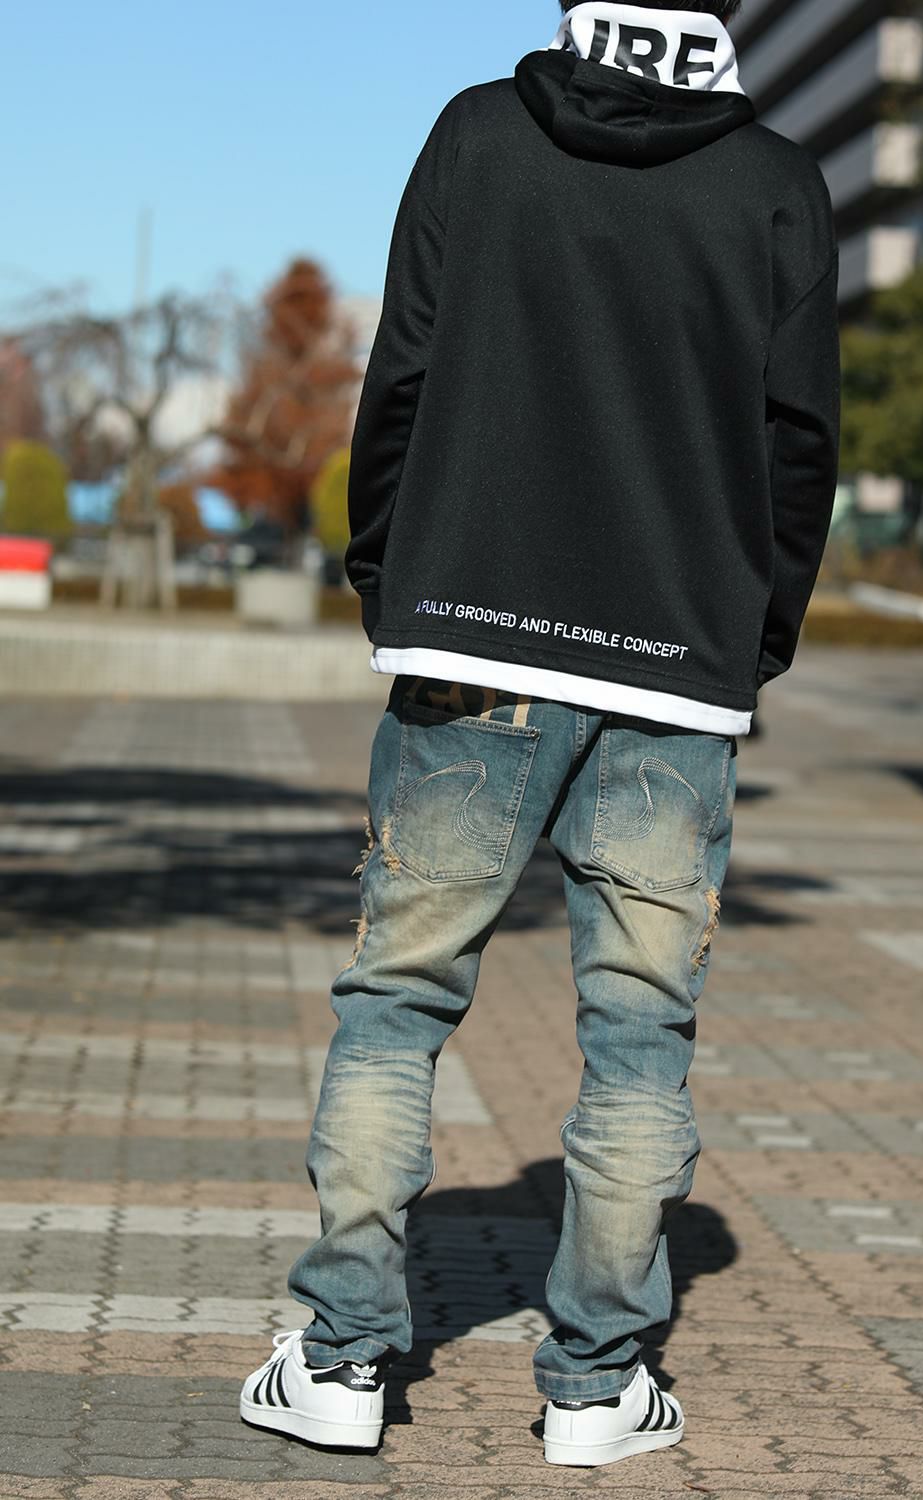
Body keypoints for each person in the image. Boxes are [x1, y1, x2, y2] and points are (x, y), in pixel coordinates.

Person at [239, 0, 839, 1469]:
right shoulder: (774, 182)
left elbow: (404, 373)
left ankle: (340, 1362)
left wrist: (393, 578)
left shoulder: (480, 137)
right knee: (639, 1034)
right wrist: (749, 642)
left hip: (467, 636)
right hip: (674, 670)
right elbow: (798, 444)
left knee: (397, 1004)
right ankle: (594, 1389)